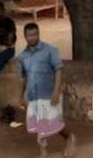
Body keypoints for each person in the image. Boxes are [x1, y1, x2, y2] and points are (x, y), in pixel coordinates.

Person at [18, 23, 76, 158]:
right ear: (25, 36)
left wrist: (56, 91)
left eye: (35, 34)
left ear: (38, 34)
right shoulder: (23, 56)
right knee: (39, 126)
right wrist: (21, 96)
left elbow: (58, 70)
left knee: (55, 123)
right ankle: (43, 151)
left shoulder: (50, 50)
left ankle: (70, 137)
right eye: (29, 35)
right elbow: (22, 78)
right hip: (33, 96)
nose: (32, 38)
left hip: (49, 94)